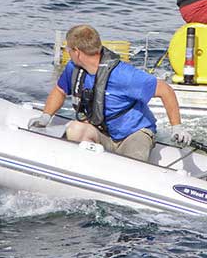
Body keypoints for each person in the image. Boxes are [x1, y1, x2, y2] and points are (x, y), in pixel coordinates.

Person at [28, 24, 191, 161]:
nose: (68, 53)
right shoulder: (74, 69)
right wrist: (45, 117)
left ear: (77, 52)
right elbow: (60, 90)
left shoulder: (123, 75)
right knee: (75, 129)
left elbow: (165, 90)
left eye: (68, 50)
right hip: (101, 133)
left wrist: (177, 127)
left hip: (133, 134)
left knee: (133, 165)